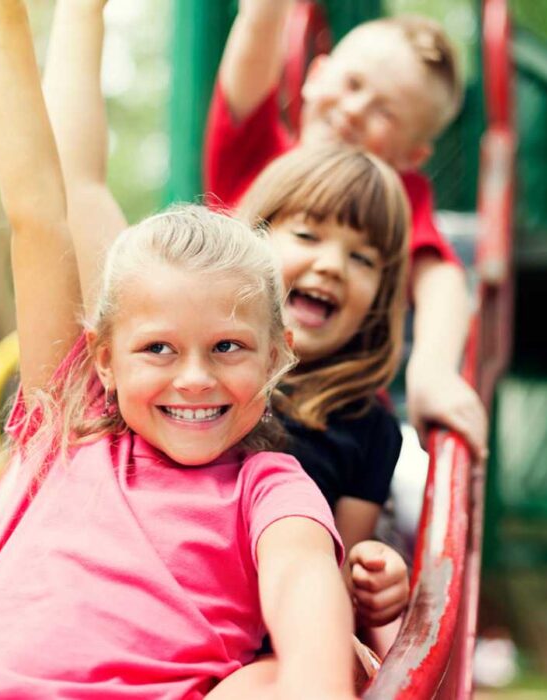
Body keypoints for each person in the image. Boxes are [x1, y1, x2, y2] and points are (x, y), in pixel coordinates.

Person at [0, 1, 357, 698]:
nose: (194, 378)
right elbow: (39, 216)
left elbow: (301, 581)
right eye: (158, 349)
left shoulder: (269, 488)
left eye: (227, 346)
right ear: (104, 358)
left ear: (277, 354)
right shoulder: (70, 437)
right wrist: (0, 24)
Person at [42, 0, 411, 640]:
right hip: (120, 620)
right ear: (257, 239)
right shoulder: (159, 345)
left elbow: (336, 573)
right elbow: (77, 188)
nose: (332, 265)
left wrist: (374, 580)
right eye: (307, 234)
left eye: (362, 258)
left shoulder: (364, 424)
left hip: (247, 644)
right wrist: (81, 16)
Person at [205, 1, 488, 461]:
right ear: (315, 76)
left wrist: (433, 371)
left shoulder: (391, 201)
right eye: (353, 84)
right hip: (212, 384)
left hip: (326, 423)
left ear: (410, 157)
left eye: (386, 113)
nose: (355, 110)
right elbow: (256, 35)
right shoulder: (257, 152)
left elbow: (442, 279)